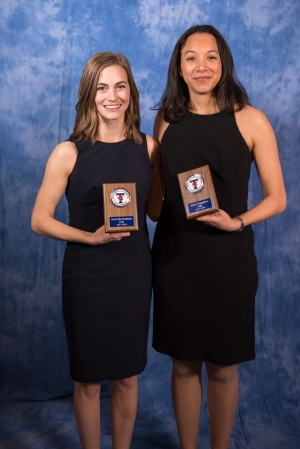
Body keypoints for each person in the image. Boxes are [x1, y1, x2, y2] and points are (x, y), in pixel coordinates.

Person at [152, 24, 286, 449]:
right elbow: (157, 208)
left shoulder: (251, 120)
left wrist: (239, 221)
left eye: (210, 56)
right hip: (176, 259)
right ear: (179, 66)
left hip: (229, 258)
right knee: (184, 365)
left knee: (224, 367)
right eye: (191, 57)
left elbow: (278, 198)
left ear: (224, 62)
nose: (201, 66)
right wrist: (140, 175)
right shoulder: (165, 121)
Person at [31, 52, 162, 449]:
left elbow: (154, 210)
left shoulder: (149, 147)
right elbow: (40, 219)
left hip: (134, 274)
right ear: (89, 94)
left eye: (120, 86)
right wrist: (88, 237)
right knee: (88, 379)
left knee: (127, 375)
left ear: (131, 92)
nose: (112, 95)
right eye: (102, 87)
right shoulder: (68, 152)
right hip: (87, 276)